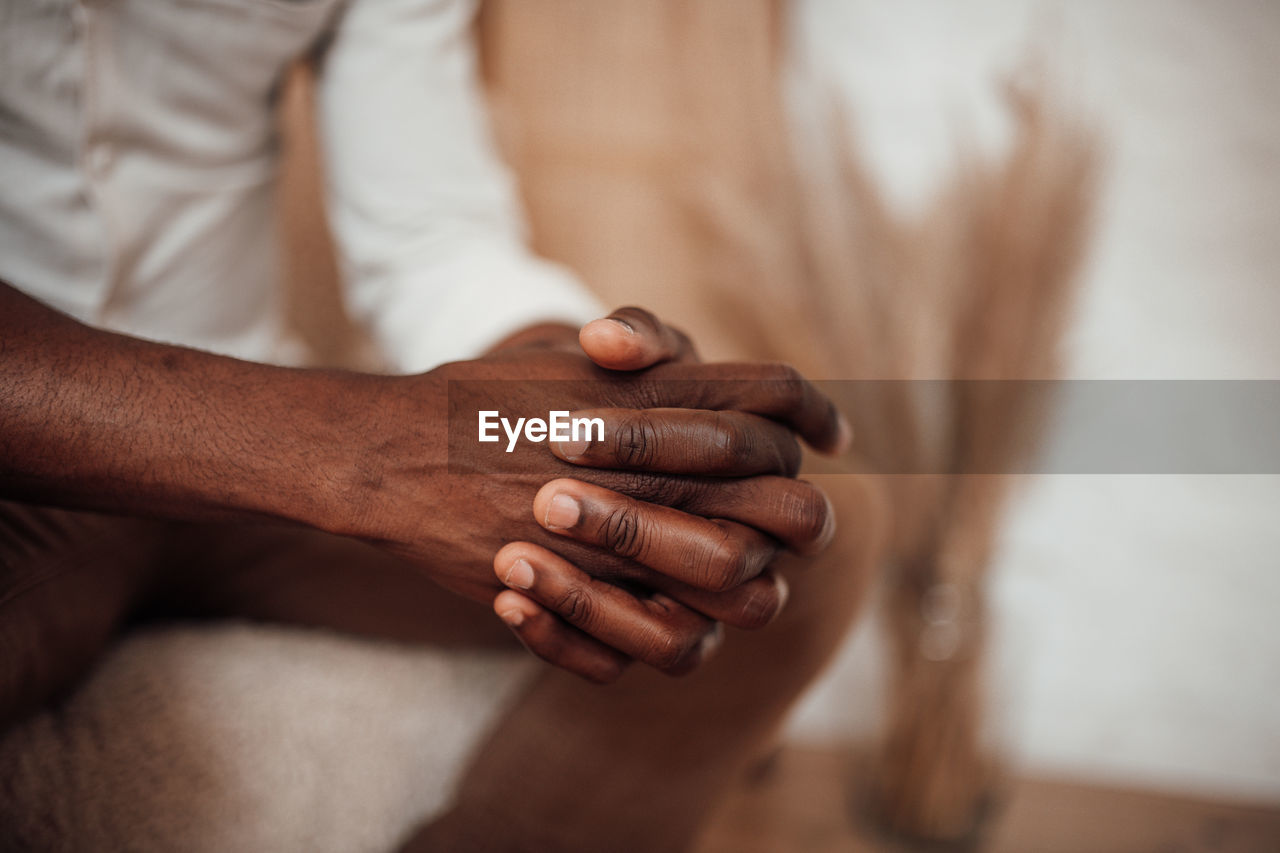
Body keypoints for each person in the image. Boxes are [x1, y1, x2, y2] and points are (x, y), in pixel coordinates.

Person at [0, 0, 884, 848]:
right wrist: (367, 455)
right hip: (38, 473)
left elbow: (427, 235)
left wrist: (573, 387)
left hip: (256, 419)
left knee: (783, 522)